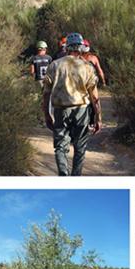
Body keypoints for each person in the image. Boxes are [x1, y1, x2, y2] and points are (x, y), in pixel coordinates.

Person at [41, 32, 101, 176]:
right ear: (81, 49)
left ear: (66, 49)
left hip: (60, 111)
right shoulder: (87, 67)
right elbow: (94, 96)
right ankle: (76, 176)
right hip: (81, 110)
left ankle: (63, 174)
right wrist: (98, 116)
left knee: (61, 147)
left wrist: (47, 115)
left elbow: (46, 94)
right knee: (80, 146)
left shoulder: (54, 65)